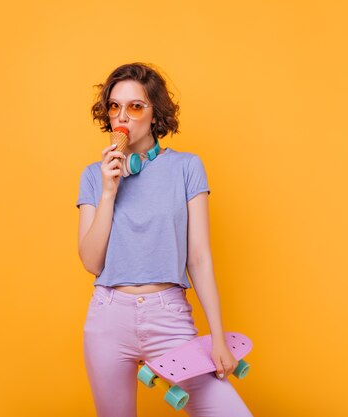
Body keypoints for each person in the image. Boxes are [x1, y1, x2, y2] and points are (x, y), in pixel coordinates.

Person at [76, 62, 253, 417]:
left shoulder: (187, 168)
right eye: (114, 106)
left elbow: (199, 258)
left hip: (168, 316)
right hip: (109, 317)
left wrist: (217, 338)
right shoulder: (94, 177)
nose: (122, 116)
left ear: (155, 113)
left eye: (135, 106)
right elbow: (92, 262)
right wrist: (109, 192)